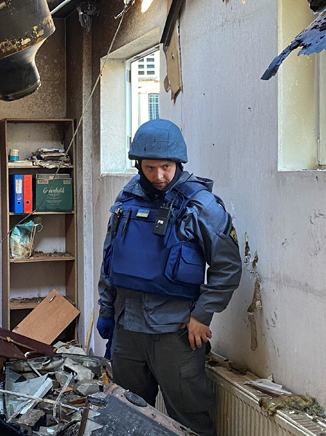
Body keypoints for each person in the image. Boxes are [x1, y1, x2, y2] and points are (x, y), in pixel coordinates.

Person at [96, 119, 242, 436]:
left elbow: (228, 266)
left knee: (188, 421)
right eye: (150, 168)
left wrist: (203, 315)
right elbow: (111, 260)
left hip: (176, 333)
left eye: (166, 167)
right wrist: (106, 310)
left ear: (178, 162)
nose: (159, 176)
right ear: (139, 164)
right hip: (128, 331)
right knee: (126, 418)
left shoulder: (200, 204)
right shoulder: (126, 199)